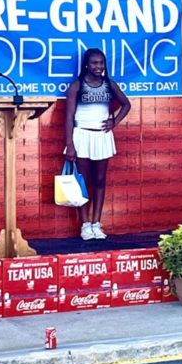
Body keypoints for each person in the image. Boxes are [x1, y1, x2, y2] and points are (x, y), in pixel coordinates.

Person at [64, 48, 131, 241]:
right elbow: (68, 117)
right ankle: (85, 225)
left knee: (100, 181)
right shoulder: (77, 85)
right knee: (82, 182)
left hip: (101, 137)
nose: (98, 67)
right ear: (86, 64)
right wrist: (70, 144)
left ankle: (96, 223)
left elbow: (126, 104)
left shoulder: (109, 84)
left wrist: (114, 121)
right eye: (94, 63)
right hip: (81, 135)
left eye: (101, 63)